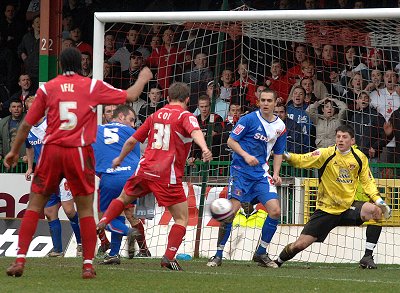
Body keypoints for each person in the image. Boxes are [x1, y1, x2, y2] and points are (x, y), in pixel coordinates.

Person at [4, 47, 153, 279]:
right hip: (79, 152)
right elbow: (131, 96)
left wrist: (14, 151)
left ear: (61, 65)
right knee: (85, 209)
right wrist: (143, 78)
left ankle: (20, 259)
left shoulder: (48, 88)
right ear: (81, 64)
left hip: (52, 151)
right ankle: (87, 265)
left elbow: (25, 125)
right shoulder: (91, 86)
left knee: (35, 205)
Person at [96, 82, 213, 271]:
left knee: (122, 198)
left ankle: (103, 221)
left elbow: (133, 140)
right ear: (187, 100)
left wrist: (119, 158)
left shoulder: (154, 115)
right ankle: (168, 257)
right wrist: (205, 148)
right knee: (182, 219)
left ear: (167, 98)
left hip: (144, 169)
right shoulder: (186, 115)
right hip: (167, 175)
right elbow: (195, 131)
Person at [275, 125, 391, 268]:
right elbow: (301, 160)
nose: (340, 140)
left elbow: (368, 181)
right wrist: (285, 155)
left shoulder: (360, 158)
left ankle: (367, 257)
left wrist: (378, 200)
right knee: (300, 245)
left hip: (348, 207)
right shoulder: (325, 154)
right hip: (326, 210)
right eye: (338, 137)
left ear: (352, 140)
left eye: (344, 137)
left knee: (376, 211)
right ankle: (278, 261)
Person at [207, 88, 287, 268]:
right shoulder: (248, 119)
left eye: (269, 101)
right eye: (263, 100)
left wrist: (276, 173)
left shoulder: (280, 127)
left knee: (275, 211)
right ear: (259, 102)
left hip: (261, 174)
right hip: (240, 172)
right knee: (230, 213)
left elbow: (279, 152)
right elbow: (230, 141)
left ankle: (261, 253)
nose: (265, 103)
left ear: (276, 103)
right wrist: (245, 155)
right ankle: (218, 254)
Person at [24, 96, 82, 258]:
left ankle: (81, 243)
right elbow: (29, 148)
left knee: (69, 210)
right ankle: (57, 250)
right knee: (50, 211)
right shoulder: (29, 128)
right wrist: (30, 167)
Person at [93, 104, 149, 265]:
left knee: (106, 217)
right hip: (133, 179)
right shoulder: (133, 132)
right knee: (118, 213)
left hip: (111, 177)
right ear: (121, 117)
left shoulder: (96, 131)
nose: (133, 124)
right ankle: (114, 253)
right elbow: (136, 158)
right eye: (131, 120)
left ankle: (129, 232)